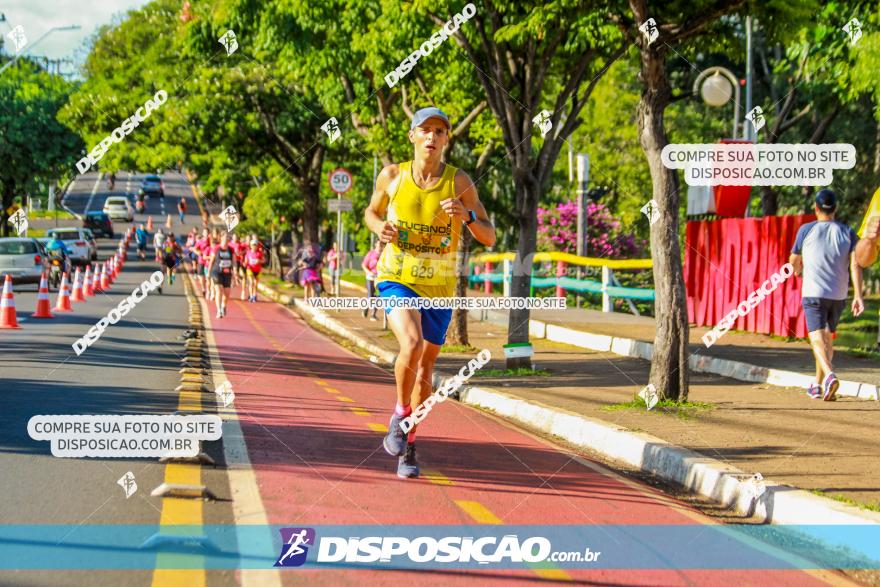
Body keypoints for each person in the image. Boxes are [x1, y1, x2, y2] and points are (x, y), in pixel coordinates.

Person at [364, 107, 495, 478]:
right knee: (412, 343)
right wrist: (380, 228)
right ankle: (399, 414)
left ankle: (409, 444)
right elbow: (370, 213)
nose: (432, 137)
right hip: (396, 277)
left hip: (439, 287)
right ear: (412, 136)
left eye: (439, 131)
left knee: (426, 371)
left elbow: (490, 234)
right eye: (425, 130)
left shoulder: (459, 182)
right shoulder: (392, 175)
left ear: (446, 139)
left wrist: (467, 218)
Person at [789, 189, 864, 401]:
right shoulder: (847, 232)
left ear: (816, 208)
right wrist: (858, 295)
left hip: (813, 293)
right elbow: (856, 263)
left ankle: (830, 376)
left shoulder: (806, 230)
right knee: (827, 339)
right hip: (838, 294)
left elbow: (793, 259)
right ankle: (818, 385)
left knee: (816, 339)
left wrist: (797, 271)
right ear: (836, 209)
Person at [206, 232, 236, 318]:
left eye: (228, 238)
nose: (227, 239)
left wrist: (235, 271)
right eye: (225, 237)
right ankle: (218, 310)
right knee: (218, 290)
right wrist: (208, 272)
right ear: (221, 238)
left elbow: (234, 261)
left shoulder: (231, 249)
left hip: (227, 273)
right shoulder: (216, 248)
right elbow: (211, 261)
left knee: (227, 294)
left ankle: (223, 306)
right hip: (217, 272)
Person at [361, 240, 382, 320]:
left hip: (379, 279)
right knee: (371, 296)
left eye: (381, 244)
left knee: (378, 296)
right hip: (370, 278)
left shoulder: (384, 254)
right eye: (379, 243)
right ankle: (366, 309)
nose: (380, 245)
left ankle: (373, 314)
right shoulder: (371, 253)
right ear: (376, 244)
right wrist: (369, 272)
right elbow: (363, 265)